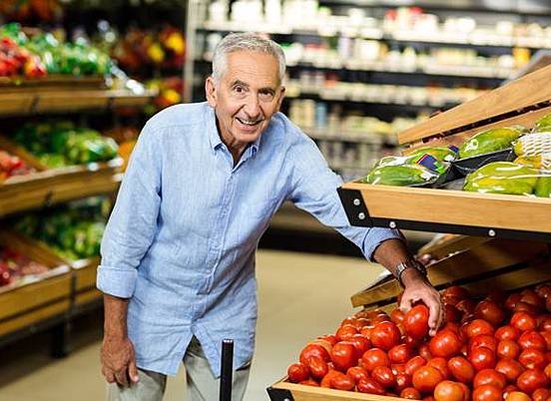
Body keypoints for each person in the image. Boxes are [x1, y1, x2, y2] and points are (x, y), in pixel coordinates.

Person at [97, 32, 443, 401]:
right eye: (239, 89)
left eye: (265, 93)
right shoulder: (166, 135)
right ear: (212, 91)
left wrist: (410, 276)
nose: (251, 108)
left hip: (225, 315)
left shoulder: (289, 148)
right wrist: (114, 335)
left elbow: (352, 215)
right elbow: (123, 243)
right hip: (151, 309)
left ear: (280, 97)